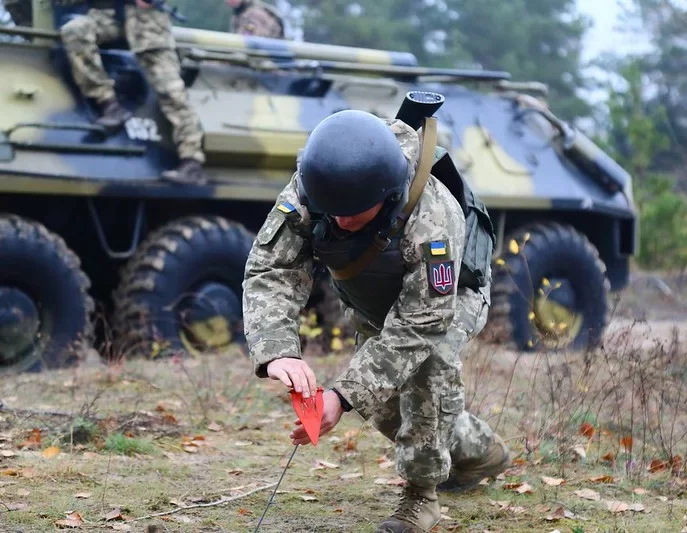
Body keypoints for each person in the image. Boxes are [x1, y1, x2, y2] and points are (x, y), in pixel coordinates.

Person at [242, 107, 511, 532]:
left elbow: (423, 322)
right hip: (378, 303)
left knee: (428, 367)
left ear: (386, 195)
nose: (342, 220)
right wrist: (278, 352)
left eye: (354, 212)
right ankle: (480, 451)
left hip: (449, 299)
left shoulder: (432, 217)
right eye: (334, 212)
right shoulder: (316, 186)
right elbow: (271, 270)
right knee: (386, 406)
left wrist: (343, 396)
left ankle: (420, 498)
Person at [59, 0, 206, 185]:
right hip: (111, 17)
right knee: (75, 30)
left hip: (148, 25)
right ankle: (109, 104)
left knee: (172, 92)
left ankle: (191, 163)